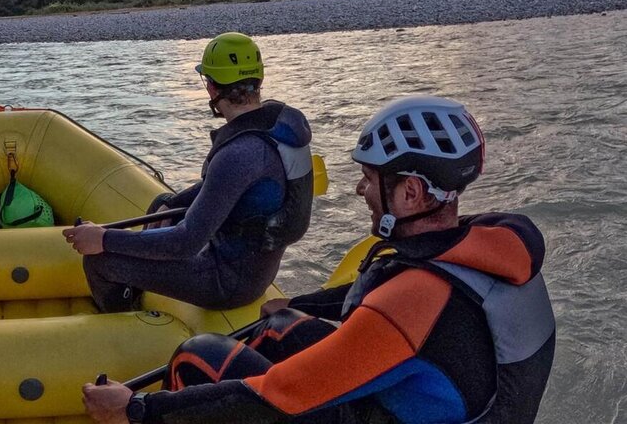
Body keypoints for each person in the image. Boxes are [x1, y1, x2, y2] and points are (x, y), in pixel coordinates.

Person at [81, 95, 556, 424]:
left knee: (197, 359)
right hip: (437, 405)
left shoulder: (409, 305)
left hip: (387, 412)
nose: (360, 189)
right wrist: (302, 304)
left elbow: (281, 394)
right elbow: (399, 292)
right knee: (280, 323)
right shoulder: (496, 250)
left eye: (371, 179)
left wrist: (135, 409)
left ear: (411, 192)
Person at [64, 32, 314, 311]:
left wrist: (103, 239)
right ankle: (141, 278)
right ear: (259, 81)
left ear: (211, 88)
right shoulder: (270, 129)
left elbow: (186, 242)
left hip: (228, 284)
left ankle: (127, 321)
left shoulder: (238, 153)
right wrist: (172, 203)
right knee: (163, 203)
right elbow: (224, 191)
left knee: (100, 260)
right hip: (252, 266)